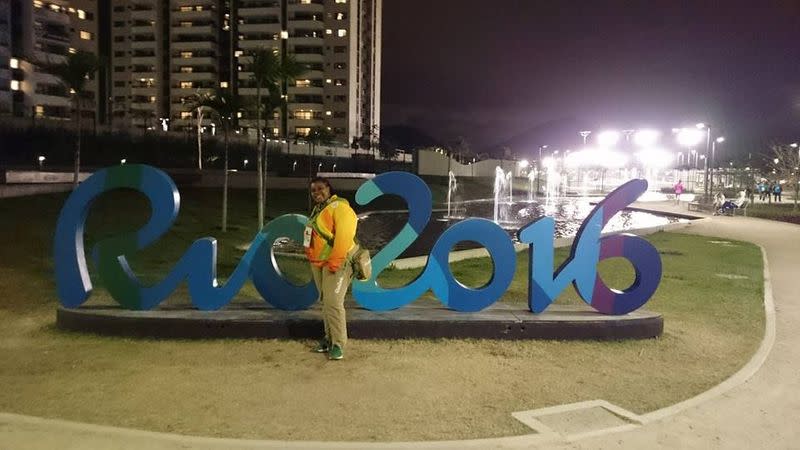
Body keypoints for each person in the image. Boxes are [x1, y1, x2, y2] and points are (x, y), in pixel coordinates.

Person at [304, 177, 359, 360]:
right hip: (320, 263)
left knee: (333, 302)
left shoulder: (340, 207)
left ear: (329, 189)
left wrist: (335, 261)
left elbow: (344, 235)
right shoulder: (318, 210)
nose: (317, 193)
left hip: (338, 262)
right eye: (313, 190)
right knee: (326, 303)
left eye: (321, 189)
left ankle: (338, 344)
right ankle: (328, 339)